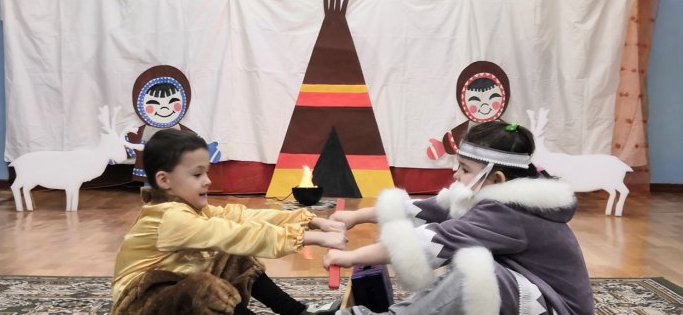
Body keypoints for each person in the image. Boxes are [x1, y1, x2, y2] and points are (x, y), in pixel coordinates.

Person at [325, 121, 594, 314]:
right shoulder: (505, 196)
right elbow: (431, 208)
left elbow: (429, 242)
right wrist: (356, 216)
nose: (455, 175)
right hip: (537, 297)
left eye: (464, 169)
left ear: (496, 179)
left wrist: (350, 257)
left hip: (555, 308)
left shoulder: (510, 212)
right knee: (468, 258)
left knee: (474, 271)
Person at [112, 129, 345, 315]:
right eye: (197, 174)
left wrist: (310, 221)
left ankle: (297, 312)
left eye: (207, 172)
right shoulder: (170, 218)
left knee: (231, 254)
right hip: (137, 306)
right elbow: (236, 234)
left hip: (168, 293)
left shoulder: (186, 208)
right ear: (164, 180)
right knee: (202, 289)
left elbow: (241, 217)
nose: (207, 181)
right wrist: (310, 238)